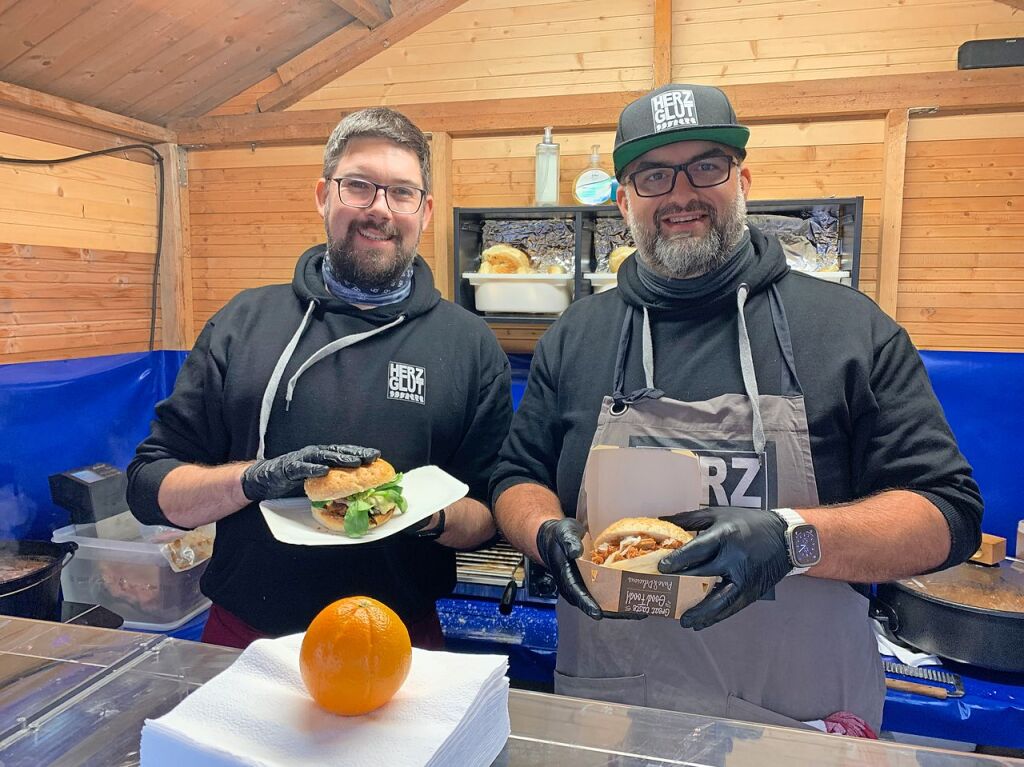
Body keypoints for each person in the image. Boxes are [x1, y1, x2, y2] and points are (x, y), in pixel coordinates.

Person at [490, 84, 982, 732]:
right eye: (653, 174)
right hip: (615, 715)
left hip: (795, 723)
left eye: (707, 166)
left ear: (743, 178)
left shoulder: (847, 330)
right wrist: (542, 535)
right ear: (624, 199)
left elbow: (947, 512)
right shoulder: (577, 336)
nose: (681, 192)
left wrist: (794, 539)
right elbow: (514, 477)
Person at [128, 107, 512, 650]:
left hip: (401, 639)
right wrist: (252, 480)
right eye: (358, 186)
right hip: (245, 636)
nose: (379, 210)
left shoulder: (469, 344)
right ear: (323, 195)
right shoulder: (243, 323)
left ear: (424, 211)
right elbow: (149, 488)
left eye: (401, 193)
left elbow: (490, 513)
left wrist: (415, 513)